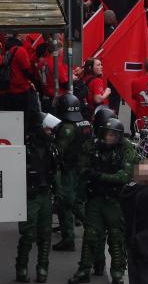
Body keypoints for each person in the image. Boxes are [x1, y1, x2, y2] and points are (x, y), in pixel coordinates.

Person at [68, 118, 136, 284]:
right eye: (106, 134)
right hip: (95, 198)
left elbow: (124, 176)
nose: (108, 137)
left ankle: (118, 273)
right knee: (90, 234)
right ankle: (84, 269)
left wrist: (99, 176)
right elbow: (81, 168)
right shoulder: (93, 147)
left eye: (112, 135)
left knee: (115, 238)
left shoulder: (126, 149)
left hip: (115, 201)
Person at [16, 112, 60, 283]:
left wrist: (58, 195)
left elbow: (55, 172)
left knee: (45, 234)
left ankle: (42, 268)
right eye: (47, 129)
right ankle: (21, 267)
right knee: (28, 235)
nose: (50, 132)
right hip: (30, 196)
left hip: (45, 195)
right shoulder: (25, 148)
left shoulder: (51, 147)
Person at [53, 93, 93, 252]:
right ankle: (95, 228)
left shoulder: (67, 128)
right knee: (79, 202)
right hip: (85, 169)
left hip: (70, 170)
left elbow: (57, 152)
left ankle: (69, 238)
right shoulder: (86, 124)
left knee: (66, 203)